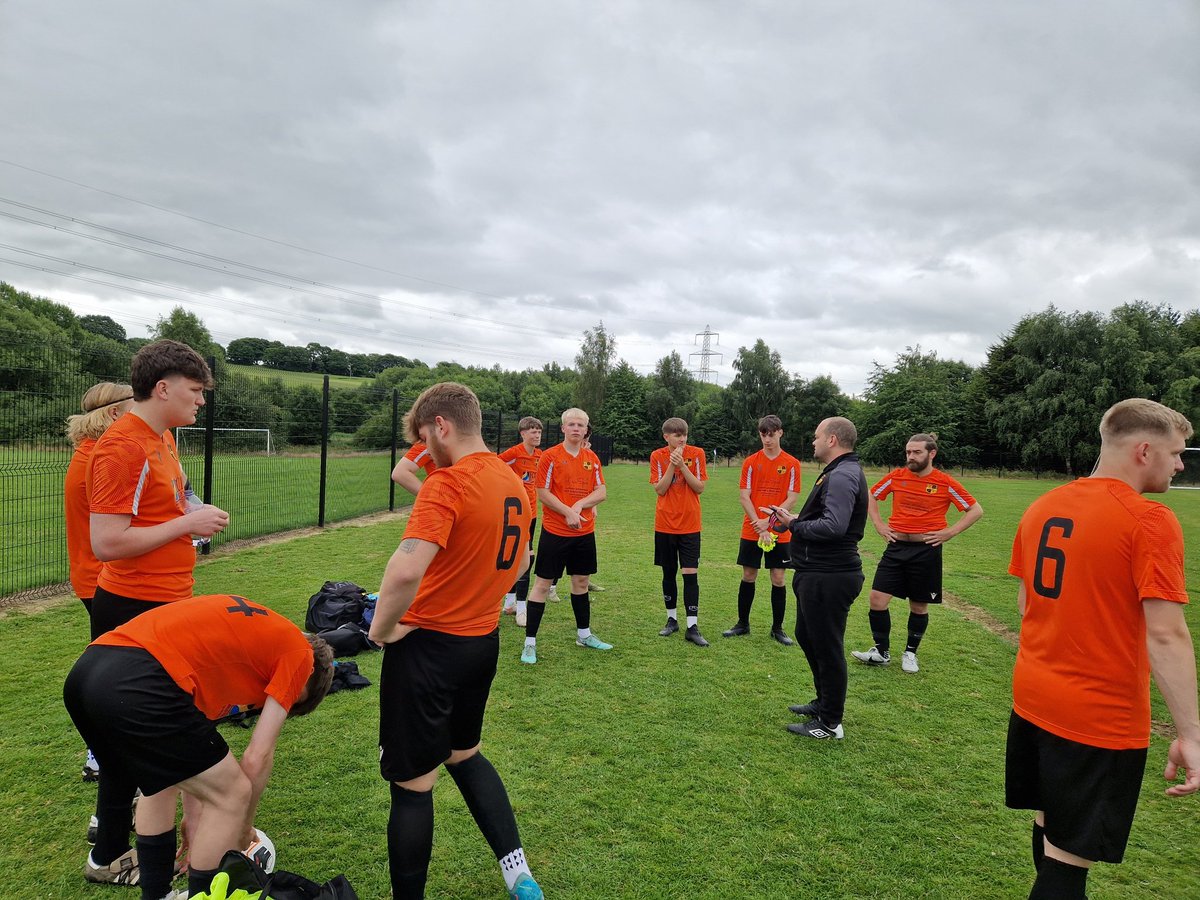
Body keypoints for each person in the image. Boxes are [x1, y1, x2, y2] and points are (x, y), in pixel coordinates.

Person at [1005, 398, 1200, 900]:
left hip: (1034, 697)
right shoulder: (1148, 520)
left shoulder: (1045, 504)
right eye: (1176, 454)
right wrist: (1191, 736)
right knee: (1069, 866)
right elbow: (1166, 634)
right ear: (1143, 450)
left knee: (1053, 833)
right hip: (1097, 719)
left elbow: (1026, 601)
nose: (1180, 464)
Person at [369, 382, 543, 900]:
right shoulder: (514, 482)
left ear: (440, 426)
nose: (426, 452)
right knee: (465, 754)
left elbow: (403, 572)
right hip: (480, 645)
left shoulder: (449, 483)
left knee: (413, 785)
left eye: (425, 438)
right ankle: (518, 873)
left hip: (428, 652)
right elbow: (521, 563)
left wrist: (380, 632)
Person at [63, 594, 333, 900]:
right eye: (291, 699)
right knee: (234, 792)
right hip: (137, 679)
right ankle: (201, 894)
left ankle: (158, 895)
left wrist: (194, 819)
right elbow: (257, 756)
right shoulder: (301, 655)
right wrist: (244, 828)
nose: (273, 699)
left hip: (87, 673)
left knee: (159, 781)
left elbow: (189, 759)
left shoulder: (246, 641)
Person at [82, 340, 231, 884]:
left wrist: (191, 512)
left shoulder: (163, 438)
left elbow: (168, 503)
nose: (200, 403)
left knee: (136, 734)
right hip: (132, 607)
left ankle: (114, 835)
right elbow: (107, 542)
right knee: (135, 733)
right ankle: (108, 854)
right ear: (163, 388)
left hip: (166, 602)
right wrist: (187, 526)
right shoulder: (121, 447)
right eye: (195, 392)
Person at [769, 417, 867, 740]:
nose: (813, 442)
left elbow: (834, 527)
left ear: (833, 440)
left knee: (827, 646)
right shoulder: (837, 473)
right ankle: (824, 703)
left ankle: (830, 723)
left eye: (816, 437)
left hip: (831, 575)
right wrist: (794, 518)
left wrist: (796, 526)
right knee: (807, 635)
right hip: (817, 572)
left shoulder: (842, 475)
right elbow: (825, 518)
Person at [851, 432, 983, 673]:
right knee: (877, 600)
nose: (910, 456)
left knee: (919, 606)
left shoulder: (945, 482)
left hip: (926, 552)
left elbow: (975, 510)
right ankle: (881, 652)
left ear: (931, 453)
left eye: (916, 452)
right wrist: (879, 524)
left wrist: (949, 533)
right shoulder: (897, 477)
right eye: (908, 452)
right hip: (896, 548)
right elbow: (871, 494)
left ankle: (910, 653)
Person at [64, 381, 135, 781]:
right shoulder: (100, 459)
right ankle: (101, 754)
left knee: (112, 665)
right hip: (104, 579)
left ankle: (103, 752)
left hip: (95, 576)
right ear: (112, 414)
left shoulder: (89, 453)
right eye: (135, 407)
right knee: (116, 671)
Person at [520, 408, 612, 664]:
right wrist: (567, 512)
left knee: (581, 582)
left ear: (585, 429)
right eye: (571, 424)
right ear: (563, 428)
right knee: (542, 584)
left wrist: (580, 504)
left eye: (580, 425)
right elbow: (543, 491)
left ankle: (584, 635)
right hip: (555, 531)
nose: (575, 428)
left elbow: (601, 491)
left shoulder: (591, 457)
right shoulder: (550, 456)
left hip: (585, 532)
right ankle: (530, 643)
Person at [723, 414, 801, 646]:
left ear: (780, 433)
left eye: (771, 434)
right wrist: (758, 523)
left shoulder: (792, 463)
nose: (767, 439)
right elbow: (744, 496)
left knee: (778, 578)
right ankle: (742, 624)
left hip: (779, 529)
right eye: (763, 434)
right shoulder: (750, 462)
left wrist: (770, 521)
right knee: (749, 575)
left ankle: (777, 629)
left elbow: (793, 497)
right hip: (752, 528)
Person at [650, 417, 709, 646]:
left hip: (690, 525)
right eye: (676, 435)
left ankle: (692, 626)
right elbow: (660, 489)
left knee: (690, 574)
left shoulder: (698, 454)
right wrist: (672, 465)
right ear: (666, 437)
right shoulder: (657, 456)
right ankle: (671, 620)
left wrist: (683, 464)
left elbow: (700, 488)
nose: (682, 438)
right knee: (668, 573)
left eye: (684, 434)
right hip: (665, 524)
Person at [499, 417, 543, 625]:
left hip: (532, 513)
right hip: (514, 514)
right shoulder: (514, 453)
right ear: (523, 433)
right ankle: (521, 608)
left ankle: (510, 603)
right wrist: (513, 482)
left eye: (539, 431)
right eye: (532, 431)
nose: (536, 435)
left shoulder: (540, 456)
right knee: (518, 557)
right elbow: (494, 467)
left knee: (526, 556)